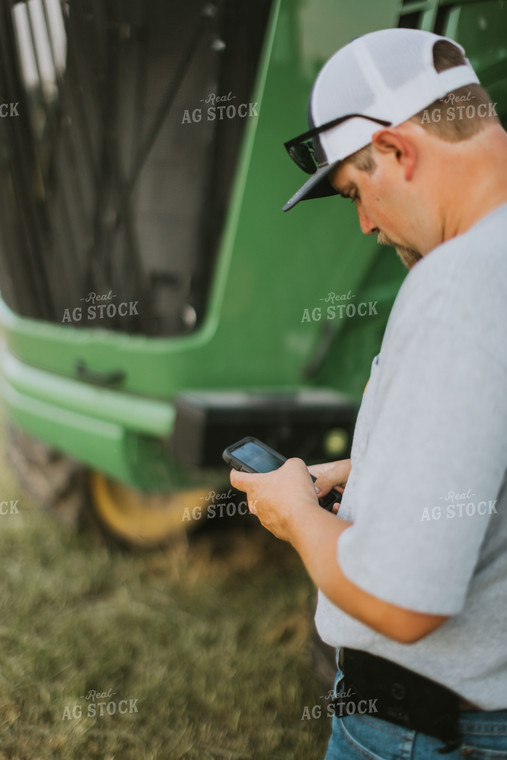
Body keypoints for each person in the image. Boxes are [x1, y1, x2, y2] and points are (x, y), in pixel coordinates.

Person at [229, 28, 507, 759]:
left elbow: (403, 601)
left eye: (357, 190)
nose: (364, 223)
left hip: (428, 730)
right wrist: (366, 472)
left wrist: (293, 513)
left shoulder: (454, 286)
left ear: (398, 151)